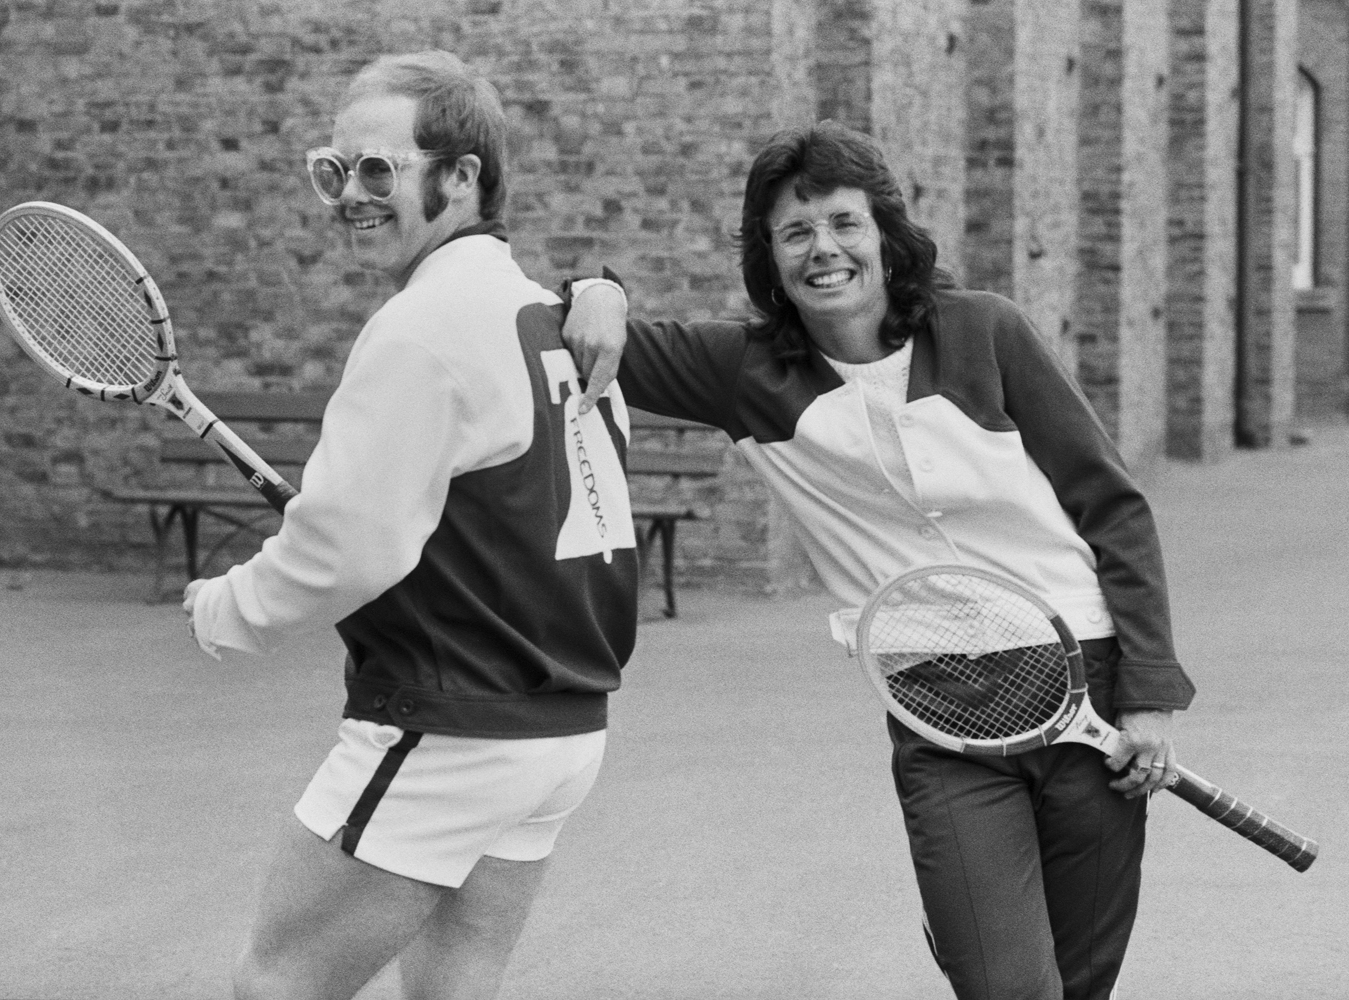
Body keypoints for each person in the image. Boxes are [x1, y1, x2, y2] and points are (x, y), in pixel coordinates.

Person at [560, 120, 1197, 1000]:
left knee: (1082, 981)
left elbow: (1112, 507)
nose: (824, 249)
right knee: (1008, 985)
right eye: (795, 231)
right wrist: (594, 290)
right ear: (770, 256)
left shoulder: (985, 331)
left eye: (843, 223)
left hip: (1088, 683)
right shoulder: (742, 372)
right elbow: (561, 335)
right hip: (936, 715)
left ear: (884, 235)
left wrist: (1153, 696)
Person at [182, 50, 639, 1000]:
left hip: (451, 726)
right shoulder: (555, 318)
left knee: (277, 982)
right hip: (559, 734)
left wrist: (231, 607)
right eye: (333, 169)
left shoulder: (425, 325)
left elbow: (351, 543)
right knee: (453, 987)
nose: (350, 193)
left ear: (461, 176)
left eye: (379, 169)